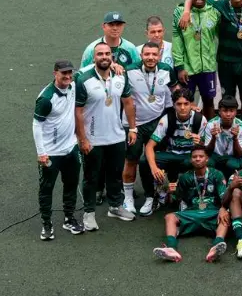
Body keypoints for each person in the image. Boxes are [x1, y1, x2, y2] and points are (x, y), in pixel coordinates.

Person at [75, 42, 137, 229]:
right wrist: (82, 138)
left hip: (116, 136)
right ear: (93, 58)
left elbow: (128, 102)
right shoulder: (83, 79)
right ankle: (89, 213)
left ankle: (115, 206)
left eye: (107, 53)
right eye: (100, 54)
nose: (104, 57)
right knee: (91, 177)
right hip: (93, 139)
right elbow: (77, 111)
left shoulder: (120, 76)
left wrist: (132, 128)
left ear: (112, 56)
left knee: (115, 174)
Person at [122, 42, 177, 216]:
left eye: (154, 54)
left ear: (159, 55)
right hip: (135, 125)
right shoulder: (129, 70)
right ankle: (128, 198)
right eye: (147, 54)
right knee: (131, 160)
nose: (151, 58)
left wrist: (190, 105)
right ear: (141, 55)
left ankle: (150, 196)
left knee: (153, 161)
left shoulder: (167, 69)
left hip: (157, 122)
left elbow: (176, 92)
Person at [152, 146, 230, 263]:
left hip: (211, 213)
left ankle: (216, 246)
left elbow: (224, 197)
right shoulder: (185, 177)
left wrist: (224, 208)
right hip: (191, 213)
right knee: (169, 217)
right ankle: (171, 248)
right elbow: (177, 198)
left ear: (207, 159)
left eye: (201, 156)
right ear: (191, 160)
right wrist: (167, 191)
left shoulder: (216, 174)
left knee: (226, 216)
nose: (198, 159)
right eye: (194, 157)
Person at [34, 60, 84, 240]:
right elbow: (36, 125)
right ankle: (46, 224)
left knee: (71, 185)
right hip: (51, 153)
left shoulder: (72, 85)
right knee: (46, 188)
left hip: (70, 148)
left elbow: (87, 68)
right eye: (64, 73)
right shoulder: (46, 98)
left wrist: (113, 65)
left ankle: (69, 218)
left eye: (70, 73)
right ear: (55, 73)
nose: (68, 77)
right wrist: (41, 153)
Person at [172, 0, 220, 120]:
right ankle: (187, 136)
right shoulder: (180, 12)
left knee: (209, 102)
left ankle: (208, 134)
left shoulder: (215, 12)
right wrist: (180, 67)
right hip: (188, 68)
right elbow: (177, 40)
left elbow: (220, 35)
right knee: (185, 103)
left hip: (208, 67)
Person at [144, 89, 205, 200]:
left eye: (186, 104)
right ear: (173, 105)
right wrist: (154, 168)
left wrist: (200, 143)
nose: (182, 107)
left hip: (189, 156)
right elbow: (149, 146)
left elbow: (206, 149)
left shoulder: (199, 119)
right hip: (171, 154)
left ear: (191, 104)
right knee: (144, 161)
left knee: (205, 161)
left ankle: (198, 193)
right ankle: (150, 197)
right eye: (179, 104)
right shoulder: (167, 119)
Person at [203, 95, 242, 176]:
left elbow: (239, 154)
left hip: (232, 157)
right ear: (219, 111)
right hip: (215, 155)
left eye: (231, 111)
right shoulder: (211, 124)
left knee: (234, 164)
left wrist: (235, 138)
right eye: (225, 110)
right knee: (208, 162)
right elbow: (208, 151)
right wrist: (213, 137)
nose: (228, 114)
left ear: (236, 112)